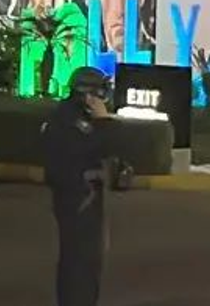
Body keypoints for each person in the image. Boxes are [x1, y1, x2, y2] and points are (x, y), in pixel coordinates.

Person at [42, 67, 119, 305]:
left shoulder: (80, 118)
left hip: (87, 195)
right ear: (86, 93)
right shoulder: (68, 120)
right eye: (99, 92)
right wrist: (104, 122)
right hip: (77, 197)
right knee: (79, 258)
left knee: (91, 258)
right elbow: (93, 147)